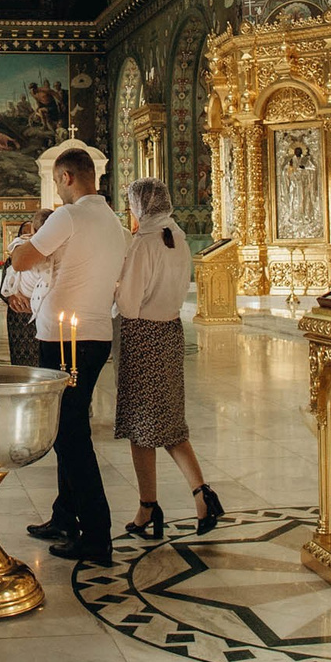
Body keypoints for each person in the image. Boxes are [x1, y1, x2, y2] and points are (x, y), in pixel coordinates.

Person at [12, 151, 126, 564]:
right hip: (95, 333)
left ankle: (96, 534)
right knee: (68, 426)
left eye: (58, 183)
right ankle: (65, 516)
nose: (58, 191)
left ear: (66, 177)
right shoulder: (114, 222)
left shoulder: (69, 216)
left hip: (64, 339)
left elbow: (22, 261)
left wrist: (20, 243)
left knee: (70, 435)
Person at [113, 178, 221, 540]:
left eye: (132, 205)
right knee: (171, 423)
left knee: (141, 427)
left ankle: (148, 506)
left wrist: (114, 287)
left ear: (141, 206)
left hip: (143, 336)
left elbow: (129, 305)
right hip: (170, 333)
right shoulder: (178, 238)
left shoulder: (144, 244)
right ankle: (202, 494)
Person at [0, 213, 48, 365]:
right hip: (18, 320)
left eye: (30, 233)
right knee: (20, 361)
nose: (28, 237)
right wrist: (12, 298)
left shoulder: (47, 256)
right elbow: (3, 290)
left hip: (41, 315)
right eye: (24, 233)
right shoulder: (13, 260)